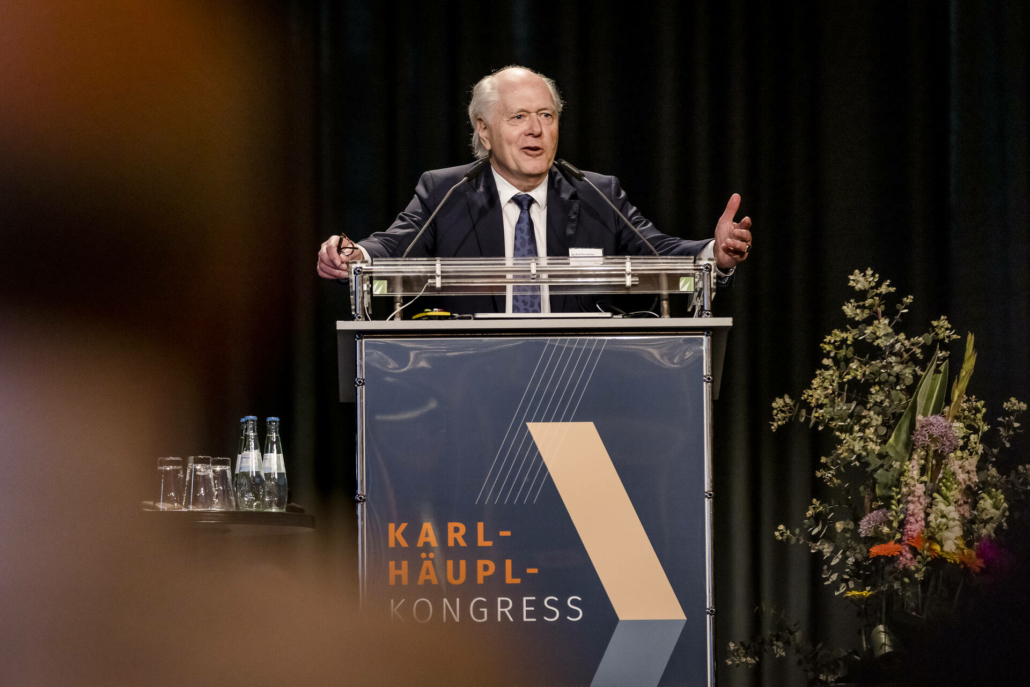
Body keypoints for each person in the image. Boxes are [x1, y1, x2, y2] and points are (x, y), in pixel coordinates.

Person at [317, 65, 753, 314]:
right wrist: (355, 256)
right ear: (484, 131)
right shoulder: (445, 192)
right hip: (468, 388)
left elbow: (659, 253)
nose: (536, 130)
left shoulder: (597, 193)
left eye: (546, 115)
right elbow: (394, 246)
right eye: (519, 117)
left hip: (576, 383)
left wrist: (714, 254)